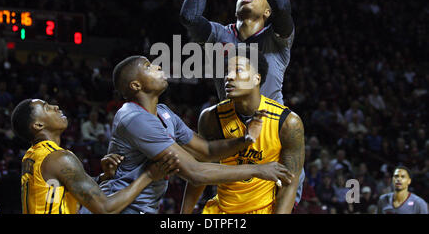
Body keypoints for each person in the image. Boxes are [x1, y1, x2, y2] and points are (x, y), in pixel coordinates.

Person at [179, 0, 304, 205]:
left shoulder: (278, 38)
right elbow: (189, 17)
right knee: (226, 205)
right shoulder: (220, 35)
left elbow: (284, 6)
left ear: (267, 13)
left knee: (277, 203)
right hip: (227, 130)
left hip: (272, 132)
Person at [80, 55, 294, 214]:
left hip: (141, 207)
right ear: (136, 85)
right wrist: (258, 170)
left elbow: (207, 150)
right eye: (148, 66)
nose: (157, 66)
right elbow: (195, 171)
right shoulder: (134, 118)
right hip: (118, 206)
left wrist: (245, 140)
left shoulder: (164, 112)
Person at [181, 48, 304, 214]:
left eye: (238, 70)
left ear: (256, 78)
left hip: (264, 209)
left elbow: (290, 184)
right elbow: (200, 171)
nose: (229, 77)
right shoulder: (211, 118)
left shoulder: (288, 123)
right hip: (221, 210)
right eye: (226, 72)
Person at [10, 98, 180, 214]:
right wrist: (148, 175)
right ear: (38, 125)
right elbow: (106, 209)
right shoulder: (58, 158)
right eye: (47, 108)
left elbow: (58, 190)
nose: (55, 107)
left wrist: (102, 177)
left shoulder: (32, 156)